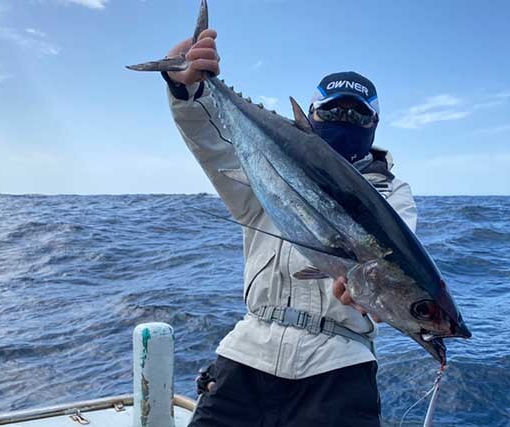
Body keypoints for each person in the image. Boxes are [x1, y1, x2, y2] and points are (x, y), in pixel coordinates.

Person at [163, 29, 418, 427]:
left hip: (340, 361)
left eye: (357, 114)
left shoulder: (393, 195)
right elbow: (212, 148)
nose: (344, 120)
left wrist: (374, 298)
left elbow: (394, 275)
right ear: (311, 116)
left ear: (375, 123)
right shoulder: (262, 172)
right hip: (249, 350)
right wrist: (187, 92)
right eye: (333, 111)